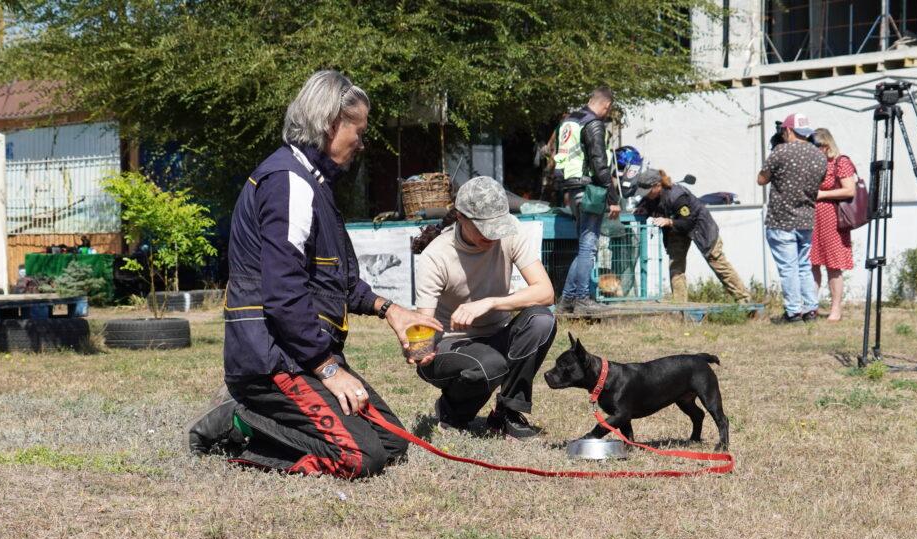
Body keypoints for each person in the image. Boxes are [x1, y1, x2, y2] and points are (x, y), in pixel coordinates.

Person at [220, 70, 441, 479]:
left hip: (303, 355)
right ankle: (238, 422)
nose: (361, 142)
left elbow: (336, 280)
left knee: (394, 443)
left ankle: (276, 420)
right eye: (358, 130)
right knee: (360, 458)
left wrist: (391, 310)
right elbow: (283, 293)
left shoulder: (313, 182)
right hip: (274, 362)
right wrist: (328, 369)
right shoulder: (287, 182)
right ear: (331, 123)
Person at [413, 176, 557, 440]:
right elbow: (424, 324)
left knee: (541, 320)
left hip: (496, 335)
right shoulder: (436, 256)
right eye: (483, 228)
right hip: (452, 344)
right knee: (490, 363)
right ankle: (451, 411)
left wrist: (491, 302)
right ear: (460, 217)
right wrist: (420, 350)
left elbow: (545, 292)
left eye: (497, 226)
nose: (492, 235)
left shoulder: (511, 231)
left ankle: (507, 413)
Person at [635, 169, 751, 304]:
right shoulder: (651, 196)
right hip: (676, 230)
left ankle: (745, 301)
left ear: (657, 185)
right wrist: (641, 210)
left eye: (648, 191)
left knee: (717, 262)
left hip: (700, 227)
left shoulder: (677, 196)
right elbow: (646, 205)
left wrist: (669, 221)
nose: (646, 195)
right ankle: (680, 308)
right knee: (676, 267)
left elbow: (688, 222)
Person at [554, 86, 621, 314]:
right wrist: (613, 197)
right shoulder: (593, 123)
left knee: (584, 247)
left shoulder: (569, 121)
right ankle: (582, 299)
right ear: (606, 105)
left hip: (572, 189)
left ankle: (567, 301)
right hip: (589, 188)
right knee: (589, 247)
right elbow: (599, 163)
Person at [757, 113, 827, 323]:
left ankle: (793, 311)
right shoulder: (819, 155)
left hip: (781, 220)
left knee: (788, 268)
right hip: (806, 219)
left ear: (788, 130)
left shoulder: (781, 152)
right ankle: (811, 309)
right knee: (804, 266)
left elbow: (761, 179)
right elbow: (821, 181)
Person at [810, 128, 857, 322]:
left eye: (815, 146)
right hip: (813, 218)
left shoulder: (841, 162)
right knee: (812, 263)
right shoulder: (814, 164)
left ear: (825, 145)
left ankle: (836, 308)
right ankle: (811, 306)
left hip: (833, 219)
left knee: (833, 265)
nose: (812, 150)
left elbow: (849, 190)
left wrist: (823, 195)